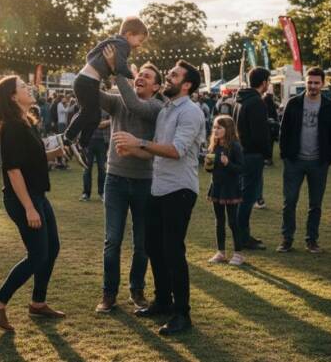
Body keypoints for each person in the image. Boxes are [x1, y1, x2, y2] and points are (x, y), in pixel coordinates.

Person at [112, 60, 205, 336]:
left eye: (174, 75)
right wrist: (133, 149)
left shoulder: (191, 112)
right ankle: (163, 301)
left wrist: (138, 142)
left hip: (180, 189)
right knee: (153, 246)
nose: (169, 77)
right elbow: (156, 150)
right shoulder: (165, 110)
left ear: (186, 85)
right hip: (159, 187)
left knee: (173, 251)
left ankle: (182, 314)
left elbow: (175, 150)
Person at [0, 76, 66, 332]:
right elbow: (14, 170)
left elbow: (33, 158)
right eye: (23, 87)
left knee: (51, 249)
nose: (29, 89)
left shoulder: (26, 122)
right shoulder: (11, 127)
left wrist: (55, 154)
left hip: (38, 195)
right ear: (12, 96)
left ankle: (38, 303)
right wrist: (29, 207)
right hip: (23, 199)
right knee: (38, 254)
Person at [94, 60, 164, 313]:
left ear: (157, 86)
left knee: (142, 243)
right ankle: (109, 294)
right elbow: (89, 92)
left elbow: (136, 105)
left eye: (147, 76)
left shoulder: (157, 107)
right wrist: (98, 65)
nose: (141, 77)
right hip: (115, 180)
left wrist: (120, 72)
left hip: (145, 182)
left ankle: (137, 289)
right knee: (112, 240)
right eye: (139, 74)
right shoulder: (117, 100)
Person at [61, 17, 148, 168]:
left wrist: (105, 77)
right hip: (87, 81)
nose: (139, 45)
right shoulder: (123, 45)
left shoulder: (112, 41)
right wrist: (133, 75)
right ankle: (68, 138)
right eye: (139, 40)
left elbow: (90, 56)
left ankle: (81, 143)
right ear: (129, 34)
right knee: (89, 113)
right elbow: (119, 66)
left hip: (86, 80)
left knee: (93, 116)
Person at [277, 67, 331, 253]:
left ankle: (311, 240)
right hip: (294, 161)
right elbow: (284, 131)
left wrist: (328, 158)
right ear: (305, 82)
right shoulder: (294, 103)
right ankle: (287, 239)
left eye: (316, 82)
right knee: (290, 202)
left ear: (323, 84)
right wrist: (285, 155)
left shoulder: (329, 106)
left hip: (318, 163)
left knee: (315, 204)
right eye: (310, 82)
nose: (312, 86)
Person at [232, 67, 272, 250]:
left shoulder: (240, 99)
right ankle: (242, 237)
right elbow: (260, 133)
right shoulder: (256, 102)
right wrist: (266, 153)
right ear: (264, 82)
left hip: (241, 152)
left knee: (243, 196)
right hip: (252, 154)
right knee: (248, 197)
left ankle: (241, 235)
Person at [205, 115, 245, 266]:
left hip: (230, 189)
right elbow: (209, 170)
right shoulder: (214, 146)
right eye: (214, 127)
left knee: (233, 221)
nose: (215, 130)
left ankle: (238, 253)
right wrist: (208, 164)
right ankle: (220, 252)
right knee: (219, 221)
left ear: (227, 129)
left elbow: (240, 169)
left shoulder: (234, 146)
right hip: (216, 187)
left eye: (219, 127)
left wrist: (228, 163)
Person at [81, 111, 110, 201]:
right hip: (88, 141)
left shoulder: (107, 108)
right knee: (87, 168)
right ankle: (86, 193)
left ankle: (102, 193)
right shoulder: (88, 107)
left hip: (102, 141)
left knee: (102, 169)